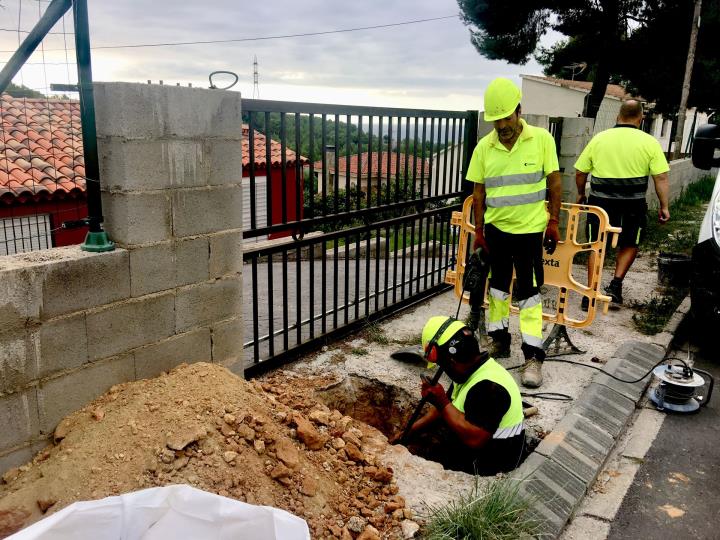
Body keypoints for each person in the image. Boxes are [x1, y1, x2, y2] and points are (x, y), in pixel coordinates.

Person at [466, 77, 563, 388]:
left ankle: (533, 356)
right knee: (497, 289)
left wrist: (553, 222)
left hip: (529, 232)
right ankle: (499, 340)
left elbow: (555, 183)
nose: (502, 125)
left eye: (507, 117)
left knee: (530, 295)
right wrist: (479, 231)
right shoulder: (485, 147)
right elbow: (478, 192)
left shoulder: (542, 140)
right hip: (496, 231)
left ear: (519, 111)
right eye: (496, 120)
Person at [397, 316, 525, 475]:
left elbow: (475, 440)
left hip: (492, 462)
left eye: (441, 363)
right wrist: (410, 431)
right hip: (478, 448)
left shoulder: (488, 388)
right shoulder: (467, 370)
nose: (442, 368)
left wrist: (442, 402)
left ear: (451, 358)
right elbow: (445, 406)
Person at [575, 100, 670, 309]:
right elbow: (661, 177)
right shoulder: (649, 142)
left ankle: (590, 293)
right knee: (629, 243)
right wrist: (664, 206)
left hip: (600, 204)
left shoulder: (599, 139)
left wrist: (581, 194)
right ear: (641, 118)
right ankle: (616, 286)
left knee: (596, 245)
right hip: (632, 205)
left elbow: (580, 172)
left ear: (618, 117)